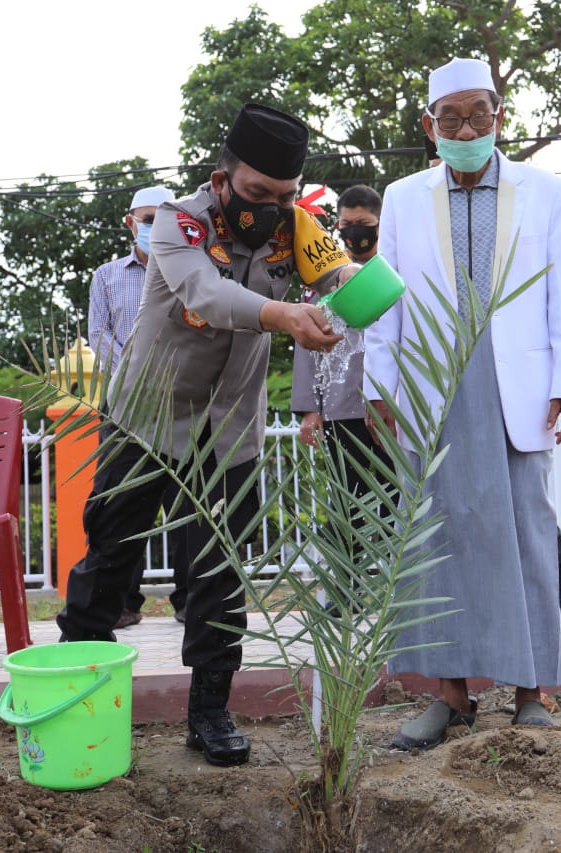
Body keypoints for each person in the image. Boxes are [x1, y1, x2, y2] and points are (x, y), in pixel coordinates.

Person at [56, 103, 358, 767]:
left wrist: (373, 288)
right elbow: (204, 297)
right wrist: (286, 313)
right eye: (257, 194)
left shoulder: (300, 227)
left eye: (283, 196)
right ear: (223, 178)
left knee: (218, 578)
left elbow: (343, 280)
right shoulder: (177, 221)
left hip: (229, 434)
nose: (271, 208)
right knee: (109, 563)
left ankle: (210, 713)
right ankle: (74, 698)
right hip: (145, 421)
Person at [365, 57, 561, 748]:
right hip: (430, 380)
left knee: (526, 532)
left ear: (501, 116)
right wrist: (379, 387)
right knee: (436, 538)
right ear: (429, 127)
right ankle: (450, 697)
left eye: (479, 115)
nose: (467, 129)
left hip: (516, 383)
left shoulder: (545, 191)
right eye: (451, 118)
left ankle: (533, 691)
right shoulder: (401, 197)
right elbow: (384, 299)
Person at [87, 185, 190, 629]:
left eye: (161, 218)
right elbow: (98, 336)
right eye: (146, 219)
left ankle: (189, 599)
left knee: (187, 504)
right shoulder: (106, 276)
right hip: (124, 405)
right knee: (119, 504)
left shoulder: (190, 270)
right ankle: (123, 602)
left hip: (180, 400)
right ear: (130, 223)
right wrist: (135, 376)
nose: (153, 226)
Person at [290, 185, 389, 612]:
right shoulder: (322, 284)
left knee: (394, 499)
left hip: (392, 411)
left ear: (380, 224)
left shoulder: (394, 274)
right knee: (344, 505)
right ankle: (345, 592)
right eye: (346, 226)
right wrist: (310, 410)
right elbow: (306, 346)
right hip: (341, 410)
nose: (354, 234)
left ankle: (393, 590)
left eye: (363, 226)